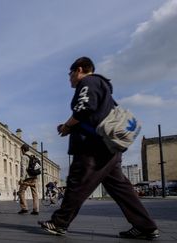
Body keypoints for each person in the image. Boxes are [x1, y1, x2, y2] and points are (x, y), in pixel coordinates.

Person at [38, 57, 159, 239]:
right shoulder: (102, 87)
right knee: (122, 189)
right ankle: (146, 227)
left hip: (92, 148)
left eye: (70, 74)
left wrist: (67, 126)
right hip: (109, 149)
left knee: (77, 184)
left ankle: (59, 223)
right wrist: (69, 125)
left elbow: (84, 108)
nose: (69, 78)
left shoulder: (88, 82)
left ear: (79, 70)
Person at [18, 144, 39, 215]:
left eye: (21, 150)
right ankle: (36, 210)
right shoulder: (34, 156)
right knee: (35, 193)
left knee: (21, 192)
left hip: (27, 178)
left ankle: (24, 208)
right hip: (35, 177)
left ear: (23, 150)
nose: (21, 152)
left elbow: (23, 168)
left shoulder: (24, 156)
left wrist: (22, 179)